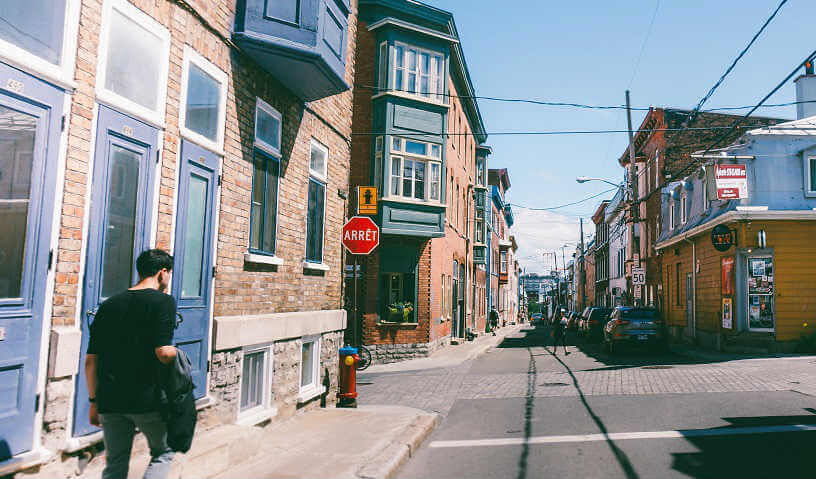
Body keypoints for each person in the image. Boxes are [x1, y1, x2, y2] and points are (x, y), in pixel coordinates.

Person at [85, 249, 178, 479]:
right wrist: (177, 353)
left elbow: (90, 361)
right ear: (162, 273)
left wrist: (94, 402)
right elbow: (164, 353)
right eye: (168, 274)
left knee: (115, 464)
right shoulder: (163, 302)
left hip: (110, 399)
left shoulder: (109, 305)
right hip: (147, 399)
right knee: (164, 452)